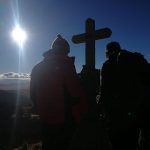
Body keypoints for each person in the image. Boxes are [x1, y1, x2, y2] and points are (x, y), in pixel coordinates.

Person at [30, 34, 88, 150]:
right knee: (64, 145)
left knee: (48, 144)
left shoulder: (37, 67)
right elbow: (76, 93)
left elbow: (33, 94)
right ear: (66, 50)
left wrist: (40, 109)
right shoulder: (66, 65)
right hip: (65, 119)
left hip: (45, 118)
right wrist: (83, 112)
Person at [100, 42, 144, 150]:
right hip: (133, 109)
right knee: (132, 141)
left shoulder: (108, 65)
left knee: (117, 142)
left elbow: (105, 90)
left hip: (115, 112)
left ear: (108, 51)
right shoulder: (132, 61)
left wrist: (103, 109)